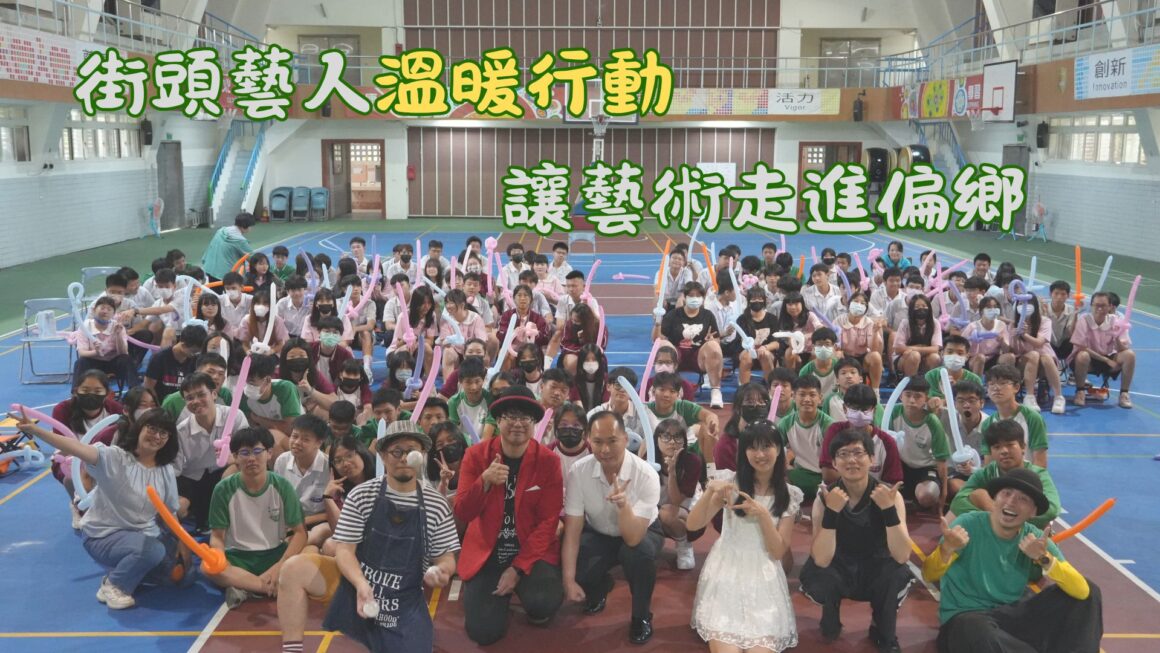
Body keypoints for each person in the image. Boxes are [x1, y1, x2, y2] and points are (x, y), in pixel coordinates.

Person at [16, 407, 184, 609]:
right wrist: (36, 430)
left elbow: (169, 512)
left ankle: (130, 567)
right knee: (152, 552)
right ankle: (114, 585)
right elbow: (75, 447)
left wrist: (184, 545)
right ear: (139, 428)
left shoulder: (165, 470)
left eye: (163, 432)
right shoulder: (114, 458)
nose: (156, 436)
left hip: (144, 533)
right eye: (152, 428)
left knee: (181, 576)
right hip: (104, 534)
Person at [925, 468, 1102, 653]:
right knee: (978, 630)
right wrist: (946, 550)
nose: (1011, 502)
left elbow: (1082, 591)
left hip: (1010, 617)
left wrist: (1044, 559)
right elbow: (929, 575)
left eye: (1023, 499)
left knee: (1090, 593)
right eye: (1007, 493)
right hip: (966, 620)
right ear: (995, 498)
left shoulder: (1034, 538)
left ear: (1033, 512)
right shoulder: (967, 525)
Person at [320, 421, 458, 652]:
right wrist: (361, 584)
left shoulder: (436, 504)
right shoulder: (362, 495)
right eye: (396, 451)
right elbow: (344, 550)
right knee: (295, 570)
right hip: (358, 587)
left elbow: (446, 557)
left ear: (422, 456)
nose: (404, 458)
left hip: (406, 600)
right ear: (383, 457)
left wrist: (443, 570)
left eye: (411, 451)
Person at [455, 386, 565, 645]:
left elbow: (548, 522)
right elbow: (463, 512)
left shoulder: (548, 461)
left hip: (529, 550)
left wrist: (517, 568)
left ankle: (521, 588)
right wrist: (483, 482)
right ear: (498, 420)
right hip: (487, 551)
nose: (517, 423)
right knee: (483, 633)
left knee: (544, 603)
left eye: (525, 417)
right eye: (510, 416)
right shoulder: (475, 456)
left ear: (534, 422)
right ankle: (489, 596)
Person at [687, 420, 801, 652]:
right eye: (752, 447)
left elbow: (777, 551)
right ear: (744, 452)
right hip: (727, 573)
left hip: (764, 578)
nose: (760, 454)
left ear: (779, 449)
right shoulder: (732, 485)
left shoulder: (789, 495)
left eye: (766, 446)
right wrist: (709, 491)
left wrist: (763, 515)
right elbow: (693, 524)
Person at [800, 428, 914, 653]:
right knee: (820, 574)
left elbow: (902, 555)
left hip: (876, 567)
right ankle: (830, 615)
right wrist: (831, 513)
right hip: (839, 568)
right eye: (843, 454)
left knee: (896, 573)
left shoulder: (890, 496)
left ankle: (883, 628)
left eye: (858, 453)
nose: (851, 460)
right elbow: (821, 559)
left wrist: (888, 510)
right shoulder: (825, 498)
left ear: (872, 459)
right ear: (834, 463)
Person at [562, 411, 662, 644]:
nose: (605, 450)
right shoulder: (579, 472)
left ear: (626, 439)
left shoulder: (646, 475)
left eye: (612, 441)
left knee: (638, 555)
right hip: (599, 532)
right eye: (598, 442)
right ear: (589, 440)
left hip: (641, 533)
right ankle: (600, 587)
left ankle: (641, 616)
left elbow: (633, 537)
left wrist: (624, 506)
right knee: (578, 561)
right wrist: (568, 580)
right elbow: (573, 531)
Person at [206, 427, 307, 608]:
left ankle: (243, 586)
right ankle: (264, 587)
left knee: (308, 555)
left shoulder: (283, 486)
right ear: (235, 457)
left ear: (269, 454)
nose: (251, 458)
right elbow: (217, 535)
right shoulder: (223, 489)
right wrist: (220, 558)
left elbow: (300, 533)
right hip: (237, 557)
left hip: (275, 554)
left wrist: (279, 565)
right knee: (208, 567)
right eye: (244, 453)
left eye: (257, 451)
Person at [948, 419, 1060, 528]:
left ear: (1023, 447)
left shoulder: (1038, 474)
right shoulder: (986, 473)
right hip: (994, 530)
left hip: (1025, 533)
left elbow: (1052, 510)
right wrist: (991, 512)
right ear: (991, 451)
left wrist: (1005, 516)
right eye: (997, 447)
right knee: (960, 511)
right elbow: (958, 502)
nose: (1004, 451)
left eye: (1010, 445)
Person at [655, 281, 725, 407]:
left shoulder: (708, 315)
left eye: (698, 296)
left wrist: (712, 340)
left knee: (714, 346)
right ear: (685, 297)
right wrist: (657, 324)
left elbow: (717, 340)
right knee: (663, 344)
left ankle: (715, 391)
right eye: (691, 295)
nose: (695, 298)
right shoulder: (673, 314)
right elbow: (656, 339)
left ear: (703, 298)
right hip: (676, 355)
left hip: (698, 357)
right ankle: (666, 387)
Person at [885, 376, 949, 511]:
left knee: (927, 495)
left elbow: (941, 460)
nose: (912, 400)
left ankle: (914, 500)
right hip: (900, 465)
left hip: (925, 468)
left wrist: (944, 493)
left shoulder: (933, 422)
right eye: (908, 395)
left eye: (918, 396)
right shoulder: (893, 413)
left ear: (926, 398)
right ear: (901, 396)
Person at [651, 417, 706, 571]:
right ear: (656, 440)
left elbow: (675, 501)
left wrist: (672, 472)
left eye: (677, 437)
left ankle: (684, 546)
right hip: (657, 512)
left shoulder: (692, 461)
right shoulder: (649, 460)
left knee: (667, 512)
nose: (672, 442)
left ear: (684, 441)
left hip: (690, 517)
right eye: (666, 437)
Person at [1071, 291, 1136, 408]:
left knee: (1129, 355)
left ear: (1110, 306)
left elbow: (1123, 349)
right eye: (1097, 305)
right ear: (1091, 305)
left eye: (1103, 305)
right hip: (1090, 359)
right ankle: (1080, 392)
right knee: (1082, 355)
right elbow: (1081, 346)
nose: (1100, 308)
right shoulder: (1084, 320)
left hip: (1110, 356)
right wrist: (1106, 360)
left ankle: (1124, 394)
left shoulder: (1116, 321)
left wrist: (1116, 337)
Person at [978, 364, 1049, 467]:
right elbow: (989, 465)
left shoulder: (1032, 418)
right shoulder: (987, 424)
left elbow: (1040, 463)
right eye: (991, 384)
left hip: (1026, 475)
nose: (996, 388)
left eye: (1003, 383)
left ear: (1016, 387)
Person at [274, 415, 333, 534]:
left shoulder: (329, 467)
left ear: (319, 443)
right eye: (294, 436)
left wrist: (303, 522)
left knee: (321, 532)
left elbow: (334, 510)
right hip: (288, 522)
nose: (297, 442)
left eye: (305, 440)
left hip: (317, 523)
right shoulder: (282, 461)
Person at [778, 375, 834, 498]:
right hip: (800, 473)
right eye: (802, 394)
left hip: (824, 476)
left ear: (820, 398)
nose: (807, 399)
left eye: (812, 395)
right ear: (793, 397)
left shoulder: (828, 425)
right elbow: (773, 448)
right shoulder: (786, 423)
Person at [143, 325, 207, 402]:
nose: (195, 354)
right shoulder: (159, 358)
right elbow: (149, 387)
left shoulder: (195, 360)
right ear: (183, 345)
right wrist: (158, 406)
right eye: (194, 351)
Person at [201, 213, 256, 282]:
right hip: (226, 276)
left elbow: (210, 248)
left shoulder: (220, 231)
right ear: (245, 226)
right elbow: (254, 259)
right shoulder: (240, 241)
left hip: (210, 268)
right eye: (250, 226)